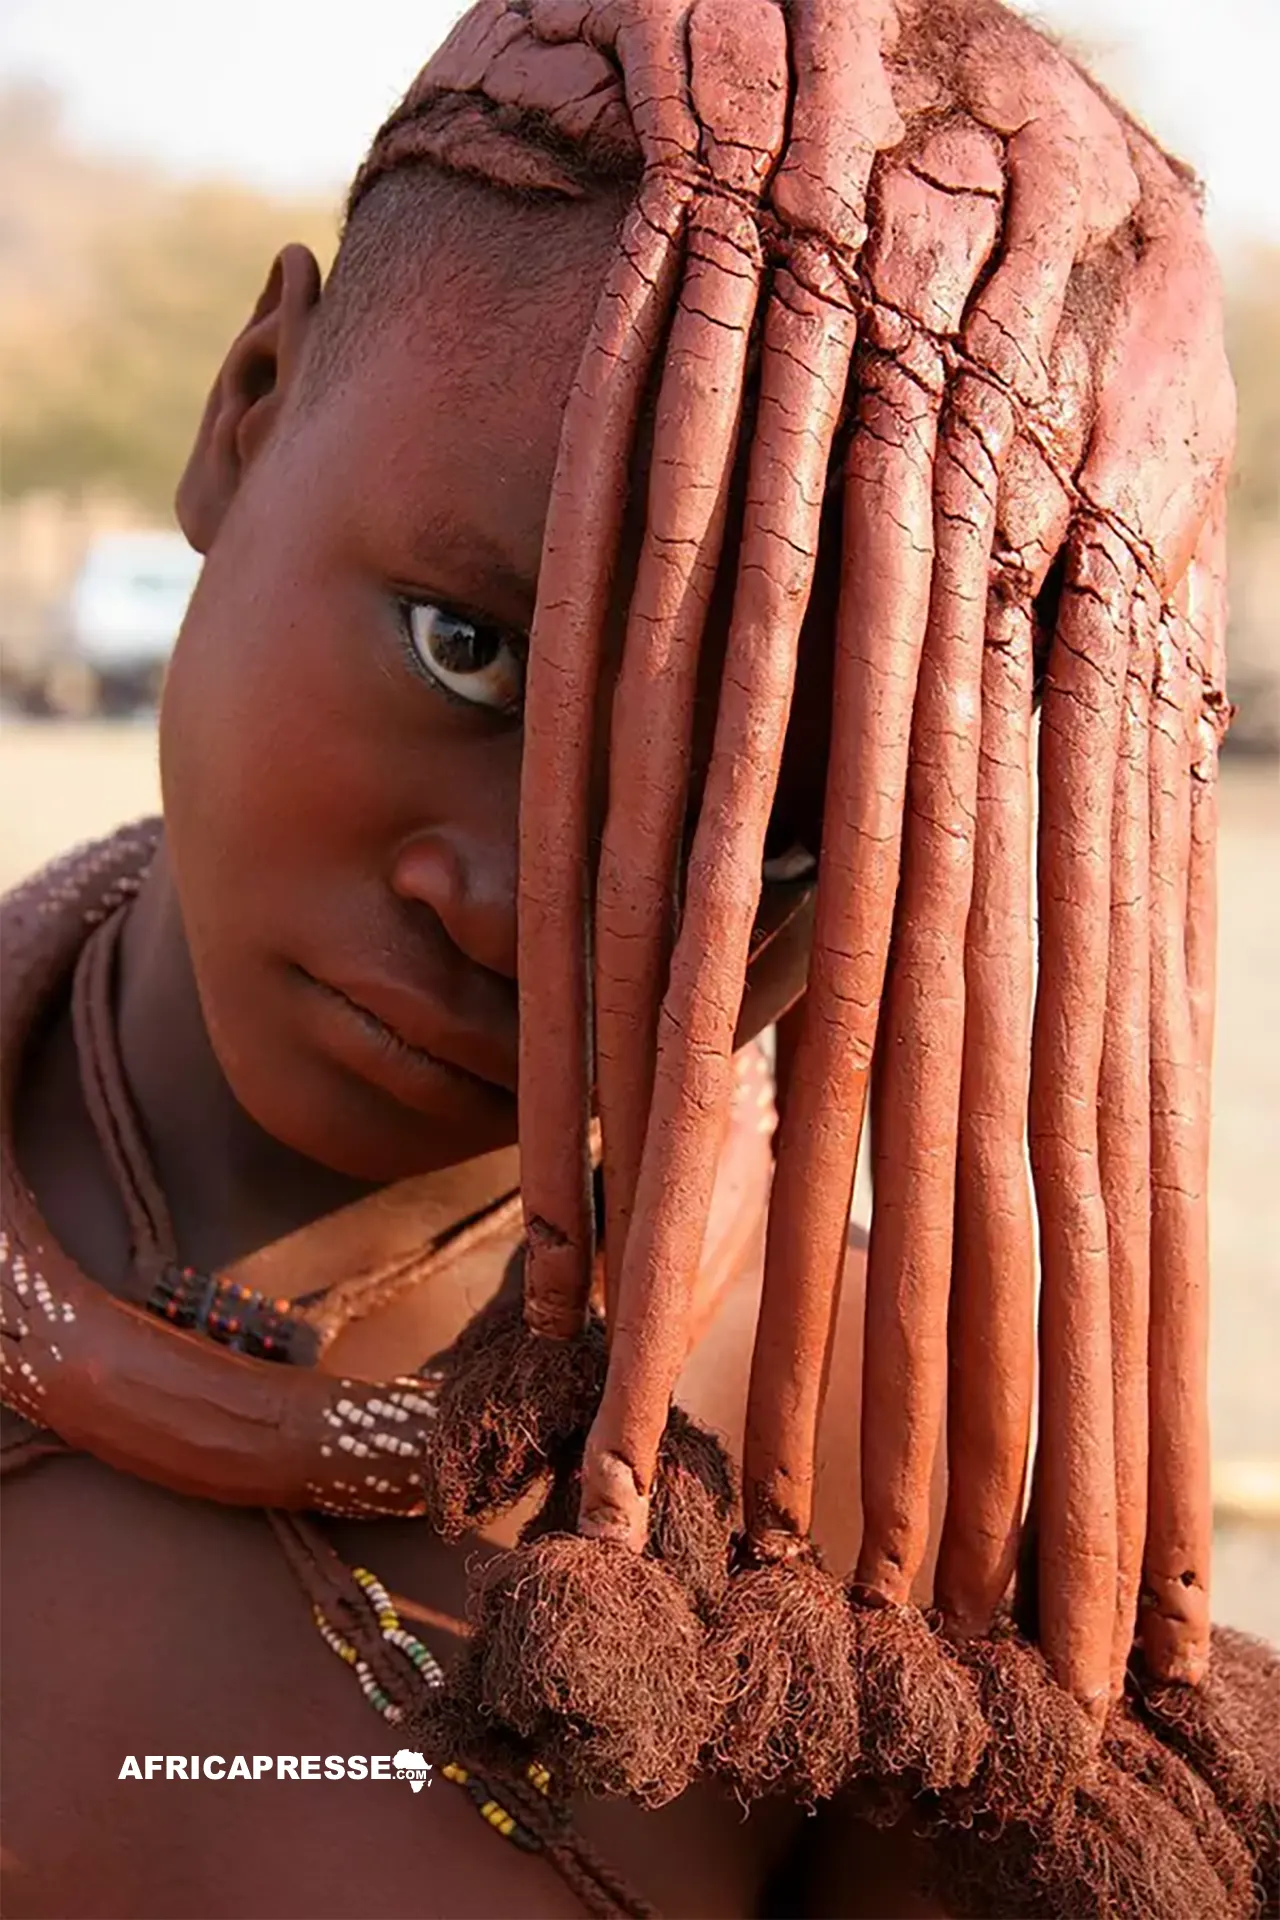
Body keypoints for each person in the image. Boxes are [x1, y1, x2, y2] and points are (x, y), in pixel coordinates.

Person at [1, 2, 1274, 1915]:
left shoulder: (894, 1599)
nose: (524, 910)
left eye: (771, 830)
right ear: (244, 414)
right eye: (470, 650)